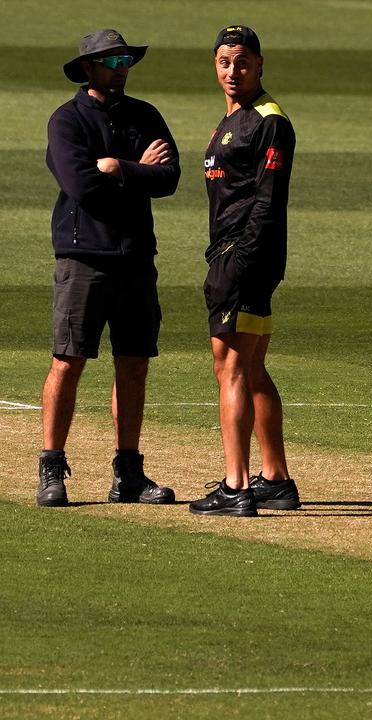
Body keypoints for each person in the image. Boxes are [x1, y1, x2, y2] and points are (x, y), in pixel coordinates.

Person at [39, 29, 179, 507]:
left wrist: (119, 168)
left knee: (134, 364)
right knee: (68, 360)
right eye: (111, 60)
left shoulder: (145, 114)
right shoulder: (67, 121)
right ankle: (52, 469)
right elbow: (81, 186)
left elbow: (170, 177)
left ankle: (128, 475)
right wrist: (136, 169)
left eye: (124, 59)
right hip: (83, 258)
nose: (121, 67)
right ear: (87, 69)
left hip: (136, 258)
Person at [190, 25, 300, 517]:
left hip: (245, 259)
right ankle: (275, 479)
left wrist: (238, 261)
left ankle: (235, 487)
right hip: (239, 256)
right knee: (252, 368)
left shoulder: (269, 122)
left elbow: (267, 203)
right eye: (224, 62)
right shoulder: (231, 119)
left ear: (260, 64)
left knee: (230, 369)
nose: (232, 71)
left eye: (241, 62)